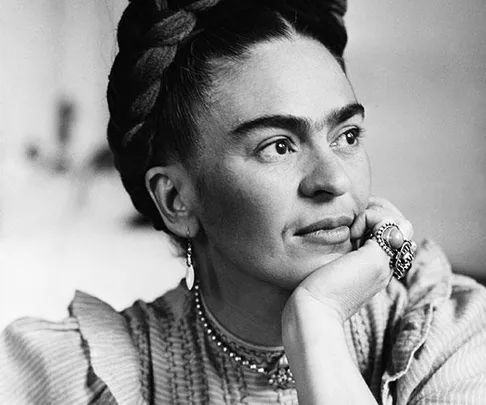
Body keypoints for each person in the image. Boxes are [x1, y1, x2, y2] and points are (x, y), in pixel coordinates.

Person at [2, 0, 486, 404]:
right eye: (278, 145)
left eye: (348, 135)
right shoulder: (65, 375)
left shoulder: (447, 335)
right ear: (176, 200)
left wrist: (314, 322)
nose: (334, 179)